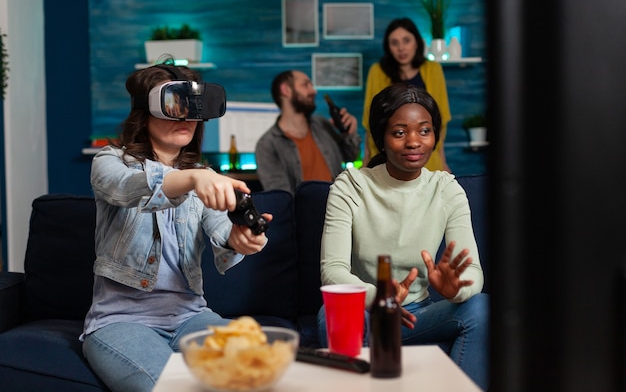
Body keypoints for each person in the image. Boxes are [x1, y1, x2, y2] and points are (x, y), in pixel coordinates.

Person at [80, 63, 272, 392]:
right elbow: (127, 188)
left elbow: (220, 228)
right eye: (173, 106)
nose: (184, 117)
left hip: (190, 317)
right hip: (121, 321)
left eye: (192, 108)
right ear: (145, 111)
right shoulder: (110, 161)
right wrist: (194, 178)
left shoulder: (203, 175)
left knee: (264, 373)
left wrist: (238, 240)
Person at [317, 83, 489, 390]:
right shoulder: (351, 185)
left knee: (481, 307)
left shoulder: (446, 189)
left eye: (424, 131)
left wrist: (457, 289)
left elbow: (473, 272)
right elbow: (333, 272)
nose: (413, 142)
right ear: (382, 138)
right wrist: (380, 299)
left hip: (418, 317)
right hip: (368, 311)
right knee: (330, 312)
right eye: (399, 132)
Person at [362, 17, 452, 172]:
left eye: (406, 41)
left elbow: (439, 120)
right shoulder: (377, 72)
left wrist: (442, 162)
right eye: (394, 43)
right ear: (388, 47)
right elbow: (370, 121)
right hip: (385, 160)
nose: (401, 48)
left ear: (416, 42)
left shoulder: (433, 70)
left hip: (425, 158)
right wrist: (365, 162)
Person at [255, 70, 361, 194]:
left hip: (340, 208)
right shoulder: (267, 145)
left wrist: (349, 134)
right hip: (303, 213)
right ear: (286, 90)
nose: (313, 91)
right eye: (306, 85)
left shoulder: (322, 124)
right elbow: (281, 198)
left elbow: (351, 156)